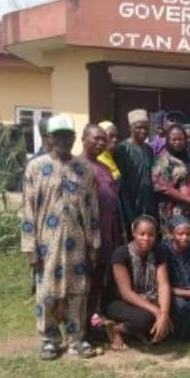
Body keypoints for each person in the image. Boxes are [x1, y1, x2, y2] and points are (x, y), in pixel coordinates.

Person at [20, 114, 101, 360]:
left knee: (78, 293)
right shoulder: (36, 167)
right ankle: (49, 339)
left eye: (69, 136)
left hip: (78, 243)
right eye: (59, 136)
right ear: (50, 138)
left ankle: (77, 338)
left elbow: (93, 208)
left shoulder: (84, 169)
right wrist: (31, 247)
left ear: (74, 138)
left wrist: (94, 243)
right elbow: (27, 209)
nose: (65, 140)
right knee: (47, 293)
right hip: (46, 244)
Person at [105, 216, 172, 350]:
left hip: (148, 297)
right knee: (145, 319)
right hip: (119, 302)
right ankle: (115, 328)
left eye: (150, 235)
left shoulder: (159, 252)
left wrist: (164, 313)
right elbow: (126, 293)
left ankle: (137, 332)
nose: (146, 238)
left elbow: (163, 284)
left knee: (174, 311)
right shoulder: (121, 254)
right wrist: (158, 312)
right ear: (133, 233)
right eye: (142, 234)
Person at [79, 123, 123, 327]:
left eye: (103, 140)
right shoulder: (75, 166)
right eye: (95, 138)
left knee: (100, 278)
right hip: (84, 236)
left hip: (108, 232)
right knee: (84, 281)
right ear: (83, 139)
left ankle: (95, 318)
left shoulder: (105, 167)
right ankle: (81, 323)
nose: (100, 143)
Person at [152, 123, 190, 236]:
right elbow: (164, 188)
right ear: (167, 140)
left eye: (180, 139)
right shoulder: (163, 160)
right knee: (174, 243)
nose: (177, 142)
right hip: (172, 212)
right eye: (173, 139)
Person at [114, 109, 158, 230]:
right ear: (130, 128)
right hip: (131, 205)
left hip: (148, 204)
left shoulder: (149, 149)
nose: (143, 131)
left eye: (146, 127)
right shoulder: (122, 149)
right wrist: (129, 213)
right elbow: (122, 185)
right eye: (139, 127)